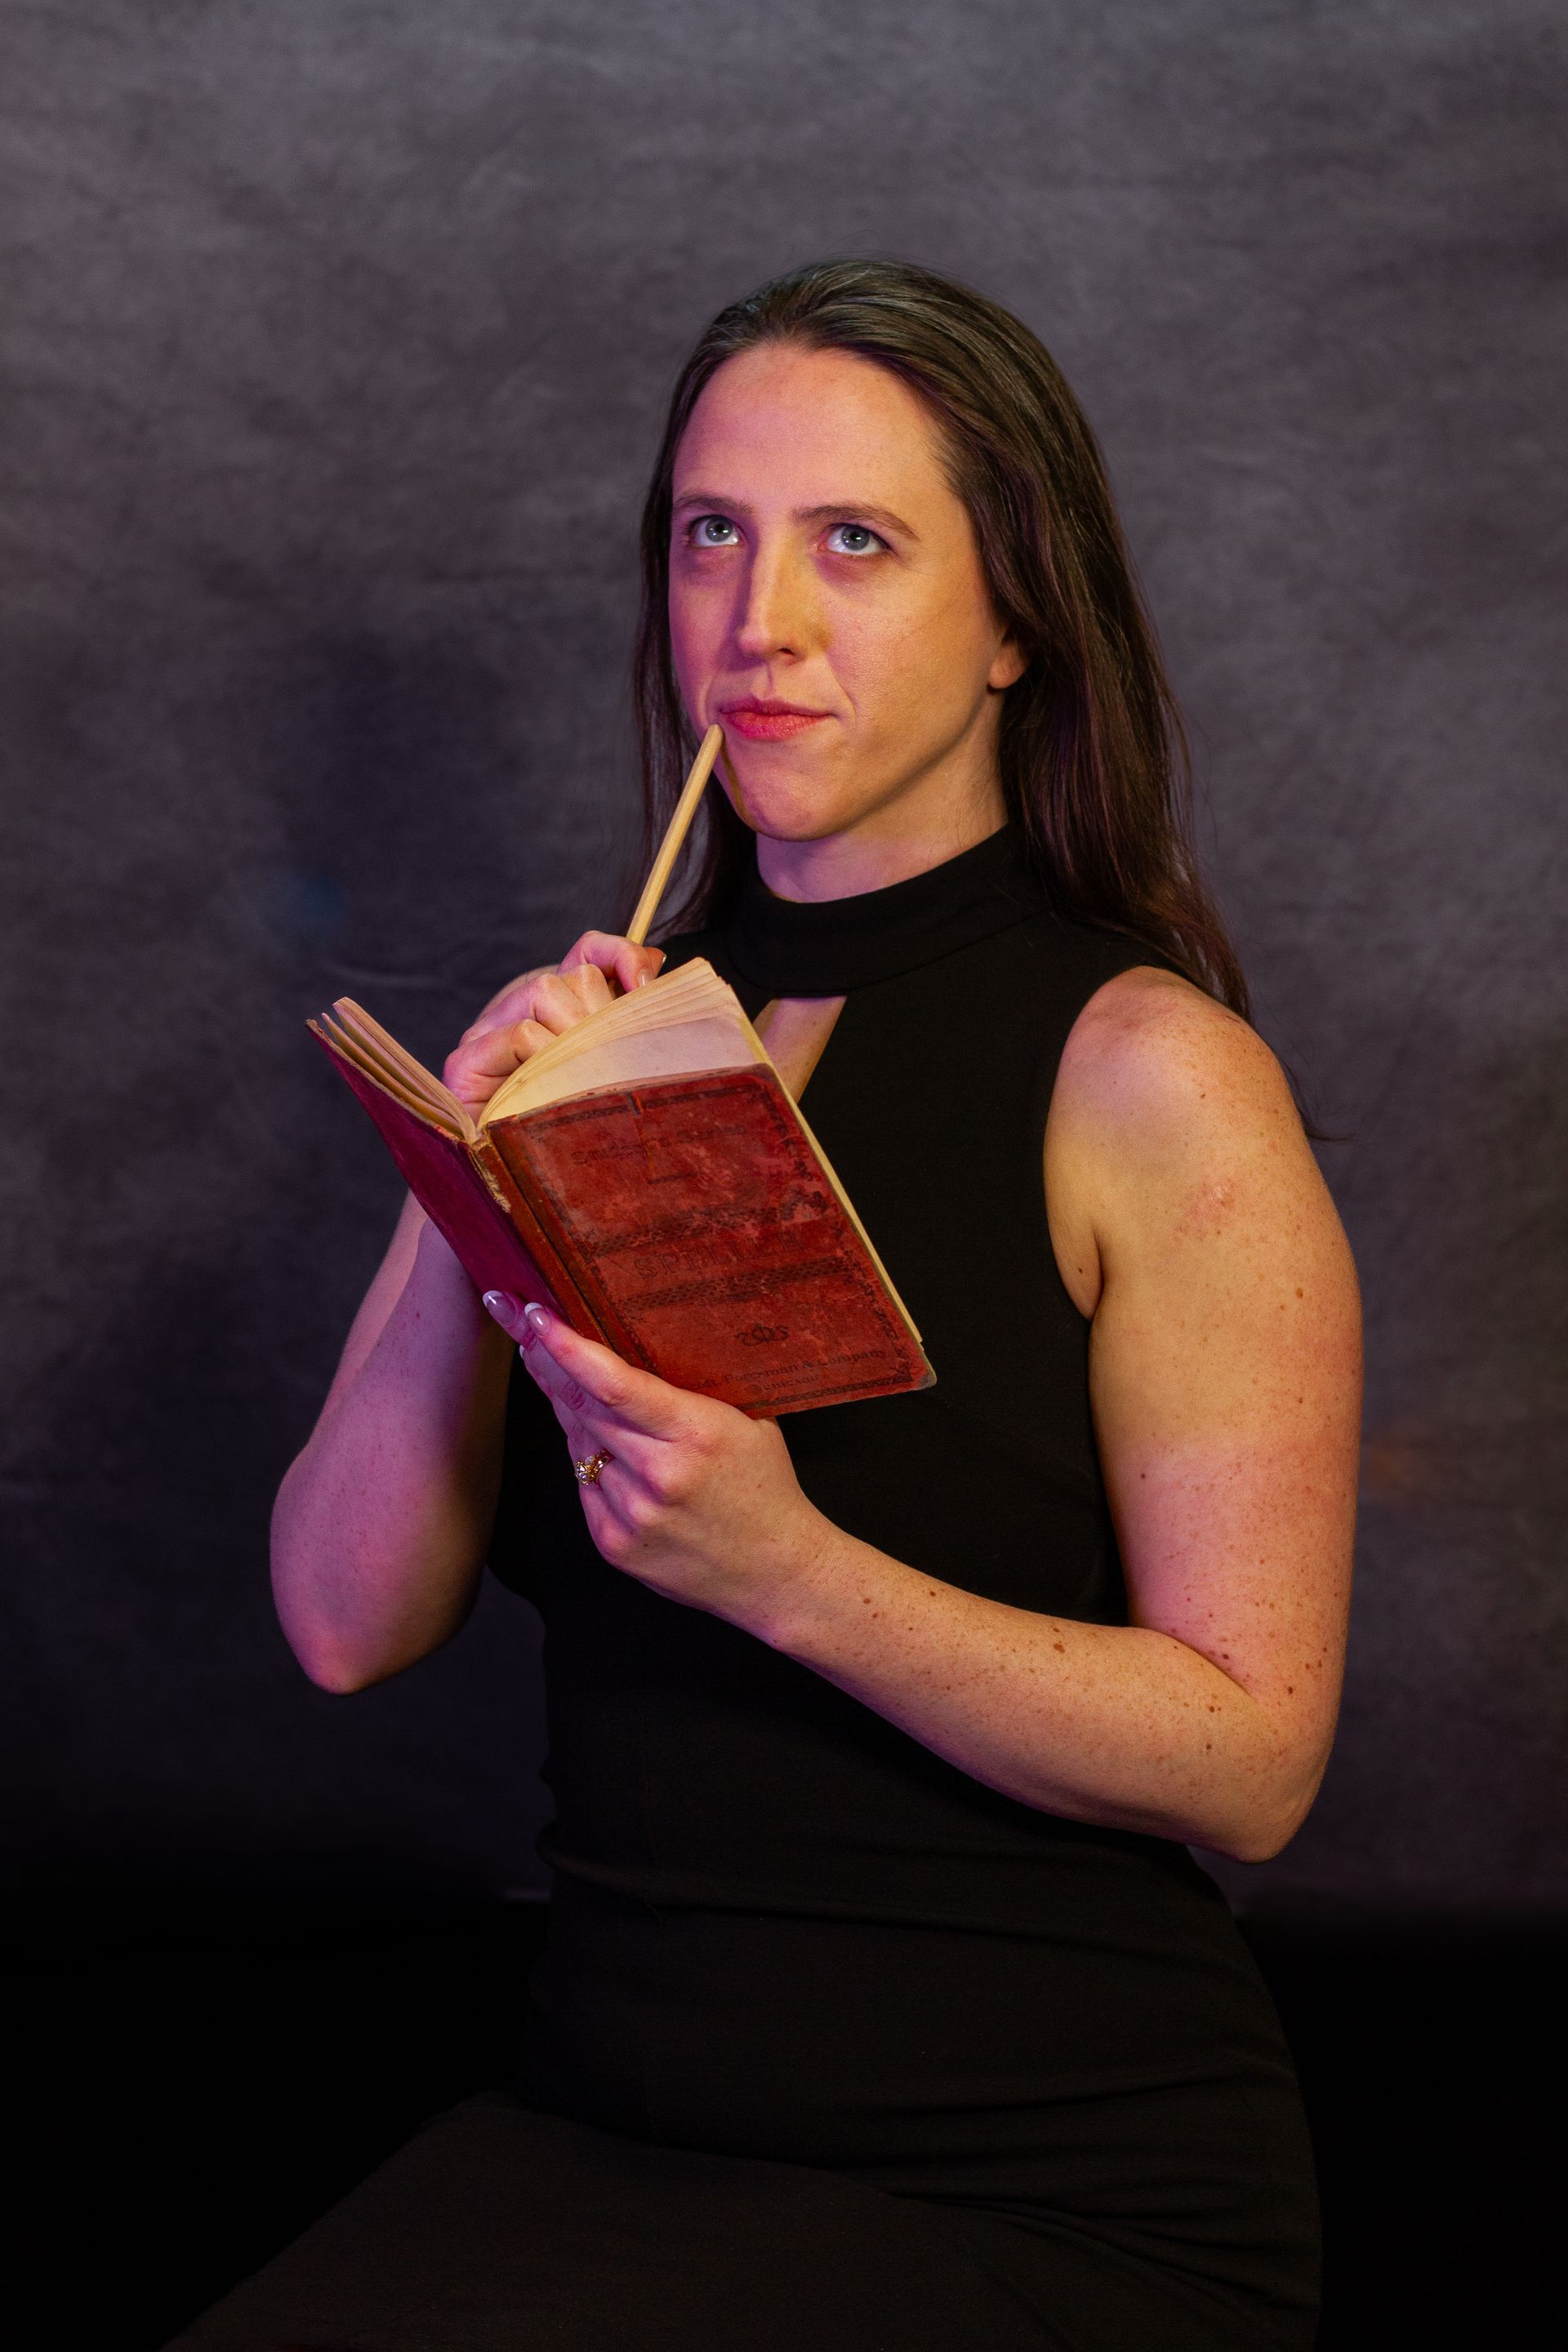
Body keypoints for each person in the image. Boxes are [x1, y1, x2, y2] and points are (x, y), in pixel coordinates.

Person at [174, 260, 1361, 2351]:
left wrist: (789, 1570)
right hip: (611, 2132)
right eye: (712, 534)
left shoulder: (1145, 1072)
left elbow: (1254, 1759)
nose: (760, 620)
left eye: (859, 544)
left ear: (1016, 625)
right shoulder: (618, 1044)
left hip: (1046, 2184)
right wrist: (469, 1168)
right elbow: (343, 1626)